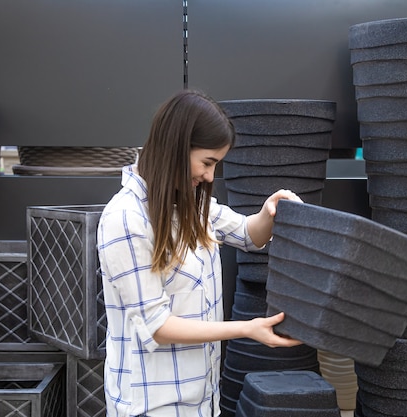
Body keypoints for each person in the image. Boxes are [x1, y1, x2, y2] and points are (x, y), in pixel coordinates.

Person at [96, 89, 303, 417]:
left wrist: (270, 210)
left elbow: (249, 234)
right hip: (152, 405)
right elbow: (157, 326)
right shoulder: (125, 219)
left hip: (201, 400)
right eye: (207, 162)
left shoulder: (191, 205)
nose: (209, 176)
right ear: (176, 148)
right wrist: (247, 329)